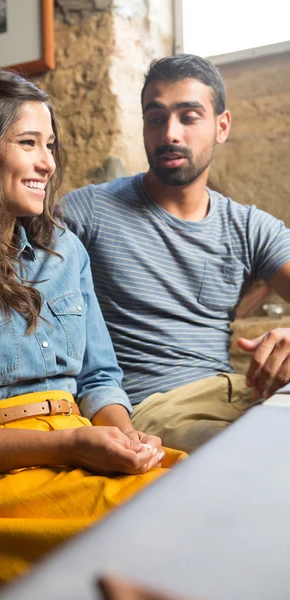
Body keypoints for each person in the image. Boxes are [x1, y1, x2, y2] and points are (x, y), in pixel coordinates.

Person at [0, 70, 185, 597]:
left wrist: (124, 436)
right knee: (157, 531)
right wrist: (70, 447)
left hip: (79, 449)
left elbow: (99, 378)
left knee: (204, 494)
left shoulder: (66, 252)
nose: (48, 163)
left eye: (49, 145)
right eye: (28, 144)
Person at [62, 54, 290, 453]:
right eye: (156, 118)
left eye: (188, 117)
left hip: (238, 394)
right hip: (156, 407)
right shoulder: (90, 211)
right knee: (255, 455)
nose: (170, 133)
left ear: (222, 126)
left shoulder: (250, 226)